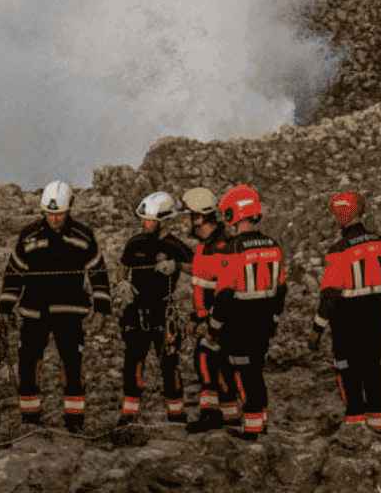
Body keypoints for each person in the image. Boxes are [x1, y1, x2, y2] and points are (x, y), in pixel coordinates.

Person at [0, 180, 111, 435]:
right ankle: (29, 422)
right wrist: (5, 309)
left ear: (69, 208)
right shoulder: (27, 236)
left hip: (70, 314)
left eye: (59, 214)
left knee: (72, 366)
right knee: (28, 365)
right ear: (42, 211)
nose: (55, 219)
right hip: (33, 312)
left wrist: (102, 308)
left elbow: (98, 271)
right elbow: (13, 273)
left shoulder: (84, 236)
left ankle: (74, 423)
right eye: (50, 214)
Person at [311, 190, 381, 433]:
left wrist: (317, 329)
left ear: (339, 215)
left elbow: (330, 295)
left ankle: (355, 420)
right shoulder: (380, 243)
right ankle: (379, 420)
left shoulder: (339, 250)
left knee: (347, 368)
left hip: (346, 318)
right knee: (371, 365)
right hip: (373, 315)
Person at [206, 184, 286, 441]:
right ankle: (261, 420)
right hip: (265, 320)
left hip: (239, 321)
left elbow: (225, 293)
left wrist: (214, 325)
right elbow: (281, 288)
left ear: (234, 214)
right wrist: (274, 318)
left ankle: (251, 428)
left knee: (242, 372)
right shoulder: (273, 245)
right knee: (256, 370)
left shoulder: (234, 248)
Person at [116, 191, 194, 428]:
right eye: (145, 219)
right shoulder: (135, 242)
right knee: (133, 360)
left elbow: (198, 267)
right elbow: (122, 267)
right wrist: (122, 283)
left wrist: (177, 265)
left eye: (150, 220)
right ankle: (129, 414)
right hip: (137, 309)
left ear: (164, 220)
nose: (145, 223)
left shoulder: (174, 245)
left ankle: (176, 414)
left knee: (169, 362)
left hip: (164, 311)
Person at [181, 186, 236, 434]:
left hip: (221, 320)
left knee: (207, 359)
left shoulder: (222, 247)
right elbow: (203, 280)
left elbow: (222, 290)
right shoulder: (207, 246)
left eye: (192, 216)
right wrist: (196, 316)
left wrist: (210, 322)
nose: (190, 221)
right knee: (218, 363)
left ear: (201, 217)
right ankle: (229, 414)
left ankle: (212, 414)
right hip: (211, 318)